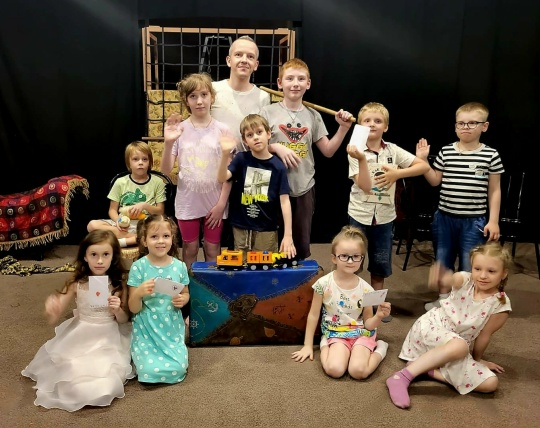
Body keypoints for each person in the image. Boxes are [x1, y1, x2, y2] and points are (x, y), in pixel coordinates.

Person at [386, 242, 512, 409]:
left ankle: (428, 369)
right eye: (477, 269)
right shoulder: (465, 279)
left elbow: (484, 335)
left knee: (490, 383)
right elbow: (453, 279)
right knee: (460, 346)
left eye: (491, 271)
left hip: (454, 348)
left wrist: (478, 360)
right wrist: (443, 278)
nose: (482, 275)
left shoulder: (501, 304)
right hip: (431, 329)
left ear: (504, 273)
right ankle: (402, 377)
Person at [21, 230, 135, 412]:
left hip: (108, 337)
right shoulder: (77, 282)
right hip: (81, 334)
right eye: (94, 254)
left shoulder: (117, 284)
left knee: (105, 381)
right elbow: (58, 308)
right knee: (71, 371)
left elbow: (123, 320)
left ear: (113, 257)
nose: (99, 261)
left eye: (106, 255)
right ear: (85, 256)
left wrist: (117, 310)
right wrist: (53, 308)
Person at [259, 58, 354, 260]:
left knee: (300, 244)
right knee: (271, 243)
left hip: (303, 186)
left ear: (308, 84)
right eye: (290, 78)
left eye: (301, 79)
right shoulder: (267, 112)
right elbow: (254, 147)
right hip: (273, 187)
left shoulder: (313, 115)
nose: (295, 83)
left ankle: (298, 277)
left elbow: (328, 150)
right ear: (279, 83)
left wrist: (343, 128)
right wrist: (275, 147)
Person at [416, 102, 504, 311]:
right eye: (461, 123)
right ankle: (444, 300)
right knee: (442, 259)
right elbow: (435, 180)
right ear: (455, 126)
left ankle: (465, 304)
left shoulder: (491, 155)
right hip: (444, 218)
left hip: (474, 221)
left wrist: (493, 221)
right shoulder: (446, 151)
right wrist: (423, 161)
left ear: (484, 126)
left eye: (472, 123)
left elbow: (494, 190)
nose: (465, 127)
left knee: (469, 263)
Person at [347, 102, 430, 322]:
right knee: (352, 262)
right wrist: (362, 159)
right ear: (360, 125)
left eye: (378, 121)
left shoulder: (392, 150)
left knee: (380, 263)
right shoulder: (354, 150)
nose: (372, 124)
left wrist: (397, 174)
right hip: (359, 214)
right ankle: (351, 304)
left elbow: (423, 167)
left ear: (386, 126)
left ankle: (375, 307)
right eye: (367, 120)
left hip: (384, 218)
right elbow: (365, 186)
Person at [291, 225, 391, 380]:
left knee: (358, 371)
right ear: (334, 258)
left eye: (356, 256)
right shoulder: (323, 284)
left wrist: (378, 316)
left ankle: (381, 349)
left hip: (361, 333)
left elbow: (369, 324)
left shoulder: (367, 289)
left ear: (362, 259)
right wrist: (308, 345)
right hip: (335, 333)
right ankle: (325, 343)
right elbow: (313, 315)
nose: (350, 261)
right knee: (334, 370)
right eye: (344, 256)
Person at [161, 73, 234, 269]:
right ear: (186, 100)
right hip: (188, 202)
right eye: (193, 96)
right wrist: (168, 143)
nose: (199, 101)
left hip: (215, 202)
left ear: (212, 97)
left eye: (204, 95)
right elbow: (166, 170)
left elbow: (229, 174)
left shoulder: (223, 130)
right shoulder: (180, 130)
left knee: (212, 248)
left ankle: (211, 286)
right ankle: (190, 286)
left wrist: (221, 205)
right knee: (190, 248)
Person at [217, 114, 295, 258]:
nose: (256, 137)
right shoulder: (241, 159)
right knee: (241, 265)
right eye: (250, 135)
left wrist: (288, 235)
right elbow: (222, 178)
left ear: (268, 133)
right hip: (241, 227)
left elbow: (285, 201)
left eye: (259, 132)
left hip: (267, 229)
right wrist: (224, 154)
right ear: (245, 141)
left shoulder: (278, 166)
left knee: (265, 264)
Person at [128, 214, 190, 384]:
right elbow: (133, 308)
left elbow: (185, 293)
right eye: (154, 236)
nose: (161, 241)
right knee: (148, 370)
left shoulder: (180, 266)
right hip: (146, 326)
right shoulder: (138, 267)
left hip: (171, 325)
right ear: (144, 241)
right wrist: (139, 292)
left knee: (178, 368)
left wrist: (183, 299)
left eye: (166, 236)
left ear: (172, 238)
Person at [87, 141, 166, 247]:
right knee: (92, 225)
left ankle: (122, 241)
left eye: (145, 159)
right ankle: (135, 238)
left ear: (150, 162)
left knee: (160, 228)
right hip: (125, 225)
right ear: (129, 163)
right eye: (135, 159)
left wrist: (144, 205)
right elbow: (112, 210)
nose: (140, 163)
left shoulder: (158, 182)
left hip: (146, 224)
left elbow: (160, 211)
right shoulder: (120, 182)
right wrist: (118, 221)